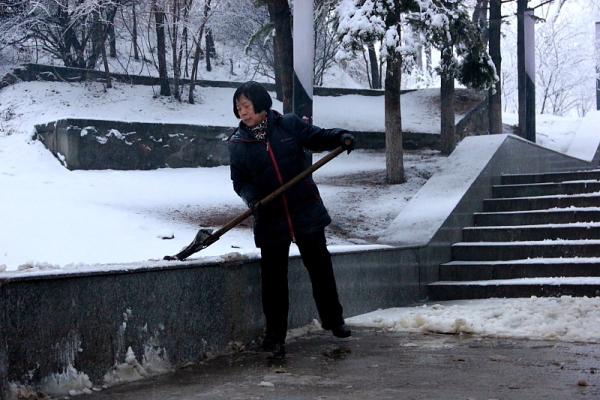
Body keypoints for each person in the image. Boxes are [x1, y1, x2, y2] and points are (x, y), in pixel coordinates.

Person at [227, 81, 355, 358]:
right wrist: (252, 199)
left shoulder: (288, 125)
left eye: (246, 107)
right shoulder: (238, 144)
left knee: (320, 268)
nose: (242, 113)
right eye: (238, 109)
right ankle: (275, 337)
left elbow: (317, 136)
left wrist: (341, 136)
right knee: (273, 280)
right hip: (270, 216)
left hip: (304, 208)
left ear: (261, 106)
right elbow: (241, 180)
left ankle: (334, 321)